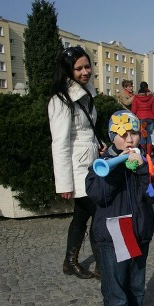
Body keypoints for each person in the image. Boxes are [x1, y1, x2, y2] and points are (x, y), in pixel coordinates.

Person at [85, 110, 154, 306]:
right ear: (113, 137)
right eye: (123, 135)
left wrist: (145, 170)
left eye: (133, 133)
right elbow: (99, 196)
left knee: (135, 285)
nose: (129, 139)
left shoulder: (147, 162)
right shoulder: (102, 165)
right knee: (116, 289)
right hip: (112, 236)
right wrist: (113, 168)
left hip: (138, 233)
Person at [48, 45, 104, 280]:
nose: (85, 72)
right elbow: (60, 143)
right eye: (79, 68)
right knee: (100, 213)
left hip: (91, 162)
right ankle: (103, 265)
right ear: (68, 71)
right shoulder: (61, 100)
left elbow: (87, 130)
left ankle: (70, 262)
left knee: (81, 216)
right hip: (78, 167)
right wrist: (63, 184)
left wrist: (99, 144)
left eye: (87, 66)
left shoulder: (86, 92)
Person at [131, 81, 154, 157]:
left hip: (140, 118)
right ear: (147, 87)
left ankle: (143, 153)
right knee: (149, 136)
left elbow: (134, 110)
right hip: (150, 118)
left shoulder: (136, 97)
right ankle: (149, 154)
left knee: (142, 136)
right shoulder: (151, 97)